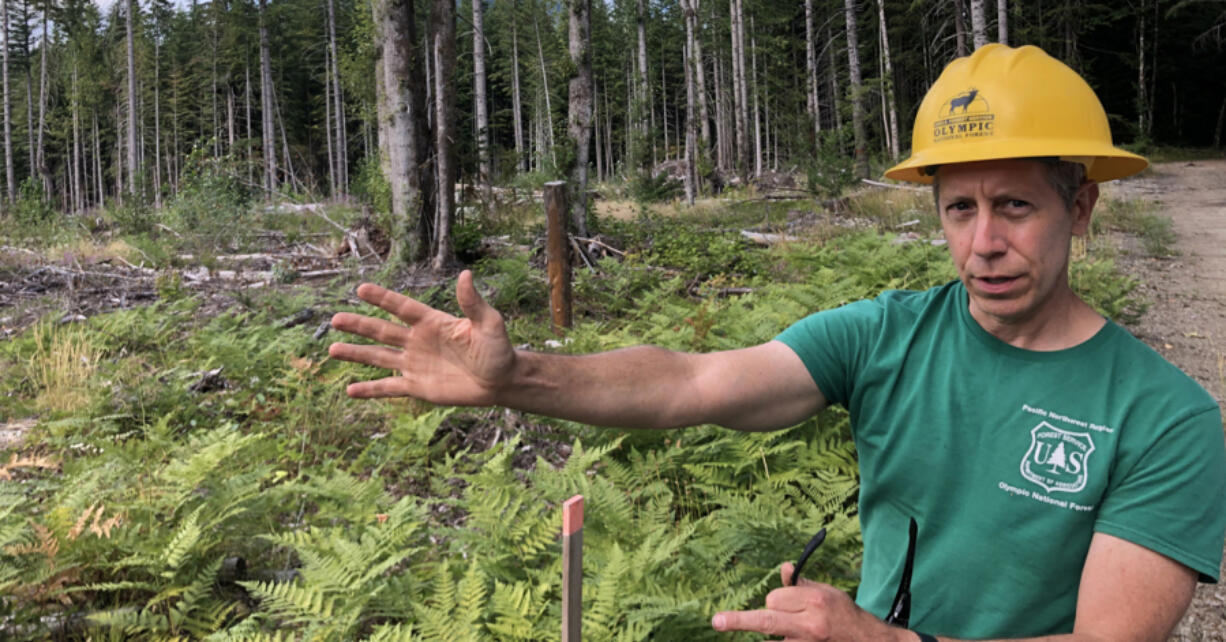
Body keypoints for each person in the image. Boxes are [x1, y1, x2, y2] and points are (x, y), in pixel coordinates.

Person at [328, 44, 1226, 641]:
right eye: (960, 208)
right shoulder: (886, 335)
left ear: (1081, 204)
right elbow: (693, 382)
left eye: (1016, 206)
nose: (983, 242)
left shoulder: (1164, 419)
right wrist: (519, 376)